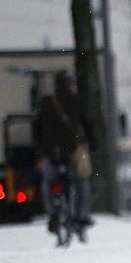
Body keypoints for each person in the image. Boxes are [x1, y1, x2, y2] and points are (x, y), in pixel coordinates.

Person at [33, 70, 95, 246]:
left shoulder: (46, 102)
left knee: (48, 182)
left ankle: (52, 214)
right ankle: (81, 217)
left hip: (50, 151)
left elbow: (36, 127)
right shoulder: (77, 101)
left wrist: (40, 147)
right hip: (73, 150)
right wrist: (93, 143)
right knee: (82, 181)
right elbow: (88, 124)